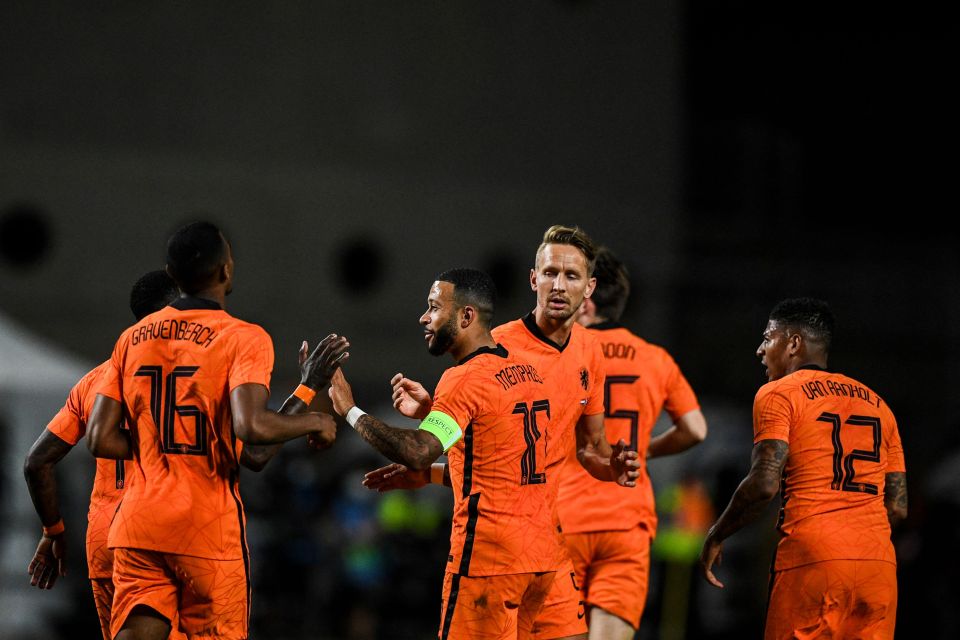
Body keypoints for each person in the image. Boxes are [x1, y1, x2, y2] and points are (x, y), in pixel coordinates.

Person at [329, 268, 636, 639]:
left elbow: (416, 451)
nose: (424, 318)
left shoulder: (464, 379)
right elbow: (501, 466)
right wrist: (432, 464)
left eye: (433, 308)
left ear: (466, 316)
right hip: (542, 560)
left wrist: (350, 410)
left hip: (489, 562)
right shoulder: (527, 372)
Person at [86, 221, 348, 640]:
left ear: (172, 276)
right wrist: (315, 415)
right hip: (206, 531)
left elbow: (98, 438)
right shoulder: (244, 338)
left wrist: (158, 450)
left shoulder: (131, 339)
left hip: (138, 525)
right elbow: (254, 435)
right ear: (226, 270)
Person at [699, 297, 907, 639]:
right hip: (877, 567)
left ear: (793, 343)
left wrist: (717, 534)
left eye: (768, 338)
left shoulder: (779, 393)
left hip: (813, 560)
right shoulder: (880, 406)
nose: (760, 350)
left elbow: (764, 483)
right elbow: (897, 507)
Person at [24, 270, 180, 640]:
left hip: (104, 544)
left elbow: (36, 462)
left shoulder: (95, 380)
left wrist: (53, 532)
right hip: (157, 539)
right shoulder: (184, 381)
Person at [561, 246, 707, 639]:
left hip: (564, 517)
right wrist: (647, 450)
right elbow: (696, 429)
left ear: (587, 301)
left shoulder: (562, 355)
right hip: (627, 520)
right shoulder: (656, 359)